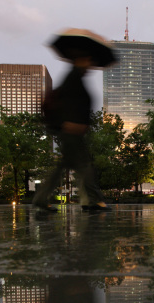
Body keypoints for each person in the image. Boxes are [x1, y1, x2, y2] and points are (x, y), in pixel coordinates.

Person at [32, 55, 109, 212]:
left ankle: (41, 198)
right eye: (88, 59)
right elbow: (71, 103)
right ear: (79, 59)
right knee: (85, 164)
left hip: (71, 129)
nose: (90, 63)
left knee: (64, 165)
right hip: (72, 129)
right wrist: (73, 123)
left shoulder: (75, 77)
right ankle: (94, 200)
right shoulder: (73, 77)